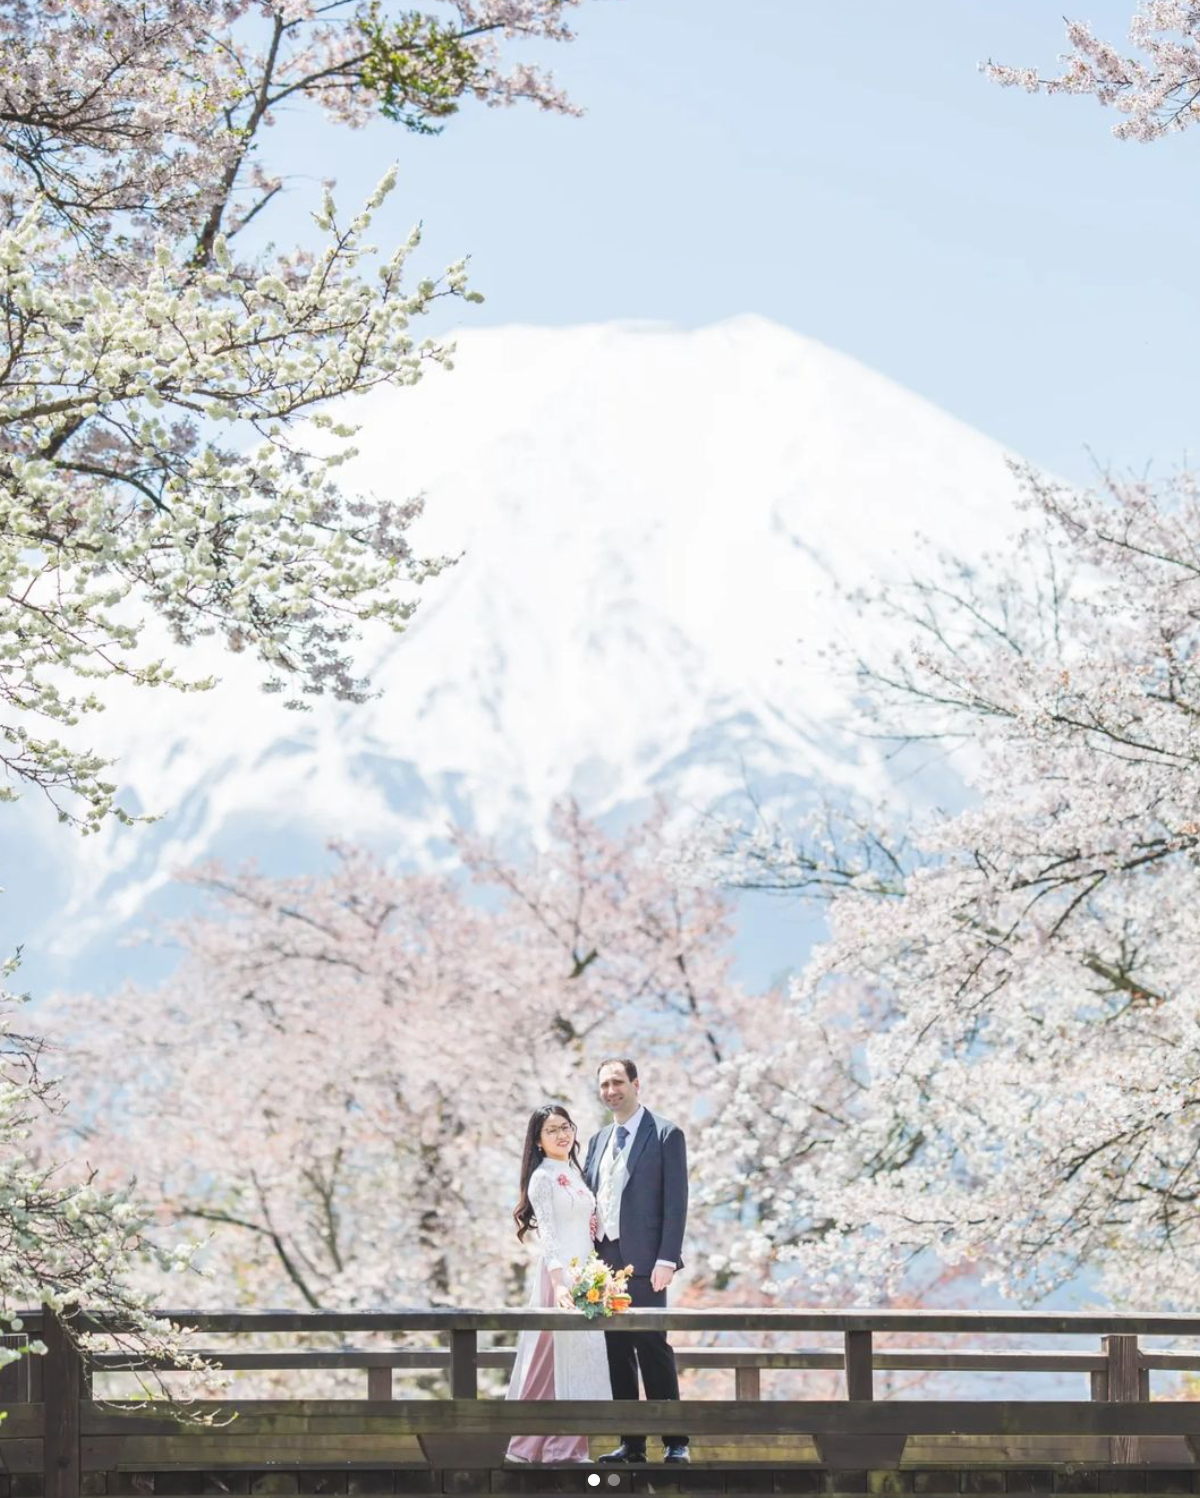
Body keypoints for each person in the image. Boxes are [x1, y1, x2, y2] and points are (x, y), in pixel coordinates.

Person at [584, 1057, 689, 1466]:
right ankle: (631, 1444)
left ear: (636, 1084)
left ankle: (676, 1442)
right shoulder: (597, 1140)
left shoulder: (665, 1134)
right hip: (605, 1261)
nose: (611, 1091)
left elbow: (676, 1202)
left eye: (618, 1082)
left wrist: (667, 1258)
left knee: (653, 1347)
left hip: (648, 1262)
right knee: (617, 1350)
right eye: (604, 1085)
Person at [506, 1102, 612, 1464]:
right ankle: (529, 1446)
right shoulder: (543, 1178)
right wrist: (560, 1283)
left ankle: (562, 1447)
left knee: (576, 1360)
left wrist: (600, 1275)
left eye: (565, 1127)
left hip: (586, 1273)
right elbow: (549, 1235)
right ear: (538, 1141)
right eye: (551, 1130)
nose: (561, 1135)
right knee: (548, 1360)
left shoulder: (576, 1174)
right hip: (560, 1275)